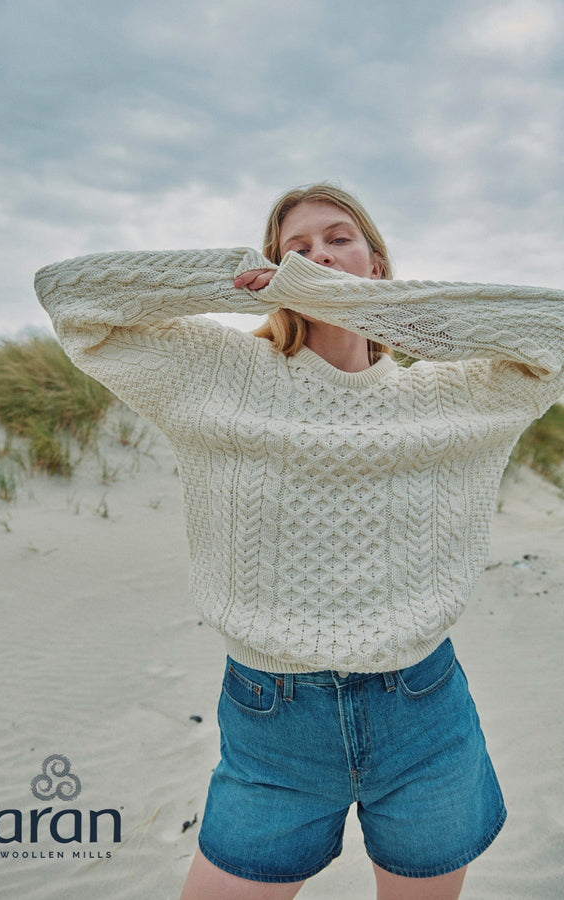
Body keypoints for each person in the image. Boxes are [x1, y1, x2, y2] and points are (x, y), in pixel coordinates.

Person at [34, 184, 564, 899]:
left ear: (377, 261)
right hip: (272, 726)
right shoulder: (219, 377)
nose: (318, 255)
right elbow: (73, 303)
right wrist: (229, 282)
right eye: (297, 249)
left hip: (424, 716)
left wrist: (377, 309)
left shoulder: (450, 395)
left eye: (338, 239)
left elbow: (552, 334)